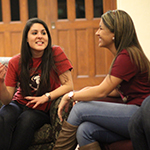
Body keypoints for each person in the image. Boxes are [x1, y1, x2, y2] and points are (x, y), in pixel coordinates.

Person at [53, 9, 150, 150]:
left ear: (114, 34)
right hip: (132, 112)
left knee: (80, 109)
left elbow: (102, 91)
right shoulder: (127, 54)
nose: (97, 32)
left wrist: (70, 96)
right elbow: (115, 91)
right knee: (85, 130)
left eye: (101, 28)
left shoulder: (126, 56)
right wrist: (85, 91)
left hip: (140, 116)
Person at [0, 18, 73, 150]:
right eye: (34, 33)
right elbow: (6, 100)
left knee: (26, 120)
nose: (40, 36)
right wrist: (0, 82)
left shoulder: (56, 53)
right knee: (5, 114)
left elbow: (69, 86)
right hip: (20, 103)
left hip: (41, 109)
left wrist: (46, 97)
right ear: (26, 39)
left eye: (43, 33)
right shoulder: (16, 62)